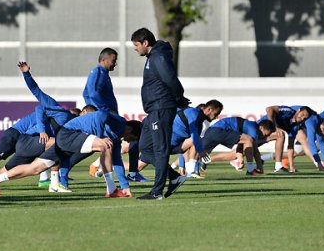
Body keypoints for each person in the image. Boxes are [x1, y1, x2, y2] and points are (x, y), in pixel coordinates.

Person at [0, 62, 91, 195]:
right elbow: (37, 96)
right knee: (58, 144)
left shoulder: (75, 128)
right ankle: (53, 184)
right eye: (88, 117)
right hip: (27, 140)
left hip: (29, 145)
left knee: (5, 172)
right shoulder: (62, 113)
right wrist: (27, 74)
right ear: (83, 113)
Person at [0, 110, 141, 198]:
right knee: (105, 146)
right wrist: (99, 136)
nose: (128, 140)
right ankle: (111, 189)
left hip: (67, 139)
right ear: (129, 129)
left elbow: (117, 160)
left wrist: (125, 186)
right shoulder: (119, 121)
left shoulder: (116, 137)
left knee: (35, 168)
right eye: (132, 138)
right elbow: (102, 114)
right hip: (70, 133)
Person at [131, 27, 189, 200]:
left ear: (145, 43)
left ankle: (157, 192)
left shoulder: (158, 56)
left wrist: (179, 98)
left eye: (136, 45)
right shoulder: (153, 56)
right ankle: (174, 176)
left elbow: (171, 79)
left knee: (160, 149)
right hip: (153, 110)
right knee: (145, 147)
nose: (135, 48)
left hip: (161, 108)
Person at [84, 48, 148, 182]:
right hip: (107, 117)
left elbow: (86, 93)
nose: (115, 64)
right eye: (113, 61)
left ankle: (126, 178)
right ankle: (128, 176)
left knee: (117, 145)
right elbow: (91, 93)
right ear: (104, 60)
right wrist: (103, 111)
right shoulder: (97, 72)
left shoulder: (103, 73)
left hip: (109, 116)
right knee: (131, 137)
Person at [202, 117, 276, 175]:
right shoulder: (254, 131)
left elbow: (241, 145)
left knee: (200, 153)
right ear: (261, 128)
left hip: (211, 131)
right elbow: (255, 151)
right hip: (220, 130)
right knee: (248, 141)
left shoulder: (250, 126)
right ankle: (250, 169)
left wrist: (240, 157)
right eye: (266, 134)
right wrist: (259, 167)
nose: (266, 136)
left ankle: (202, 162)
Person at [258, 105, 313, 173]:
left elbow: (290, 147)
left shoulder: (295, 127)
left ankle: (278, 166)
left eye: (305, 118)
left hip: (267, 135)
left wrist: (292, 167)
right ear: (298, 111)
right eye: (302, 114)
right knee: (244, 149)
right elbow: (269, 109)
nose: (302, 118)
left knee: (280, 135)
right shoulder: (288, 111)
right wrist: (273, 126)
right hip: (259, 130)